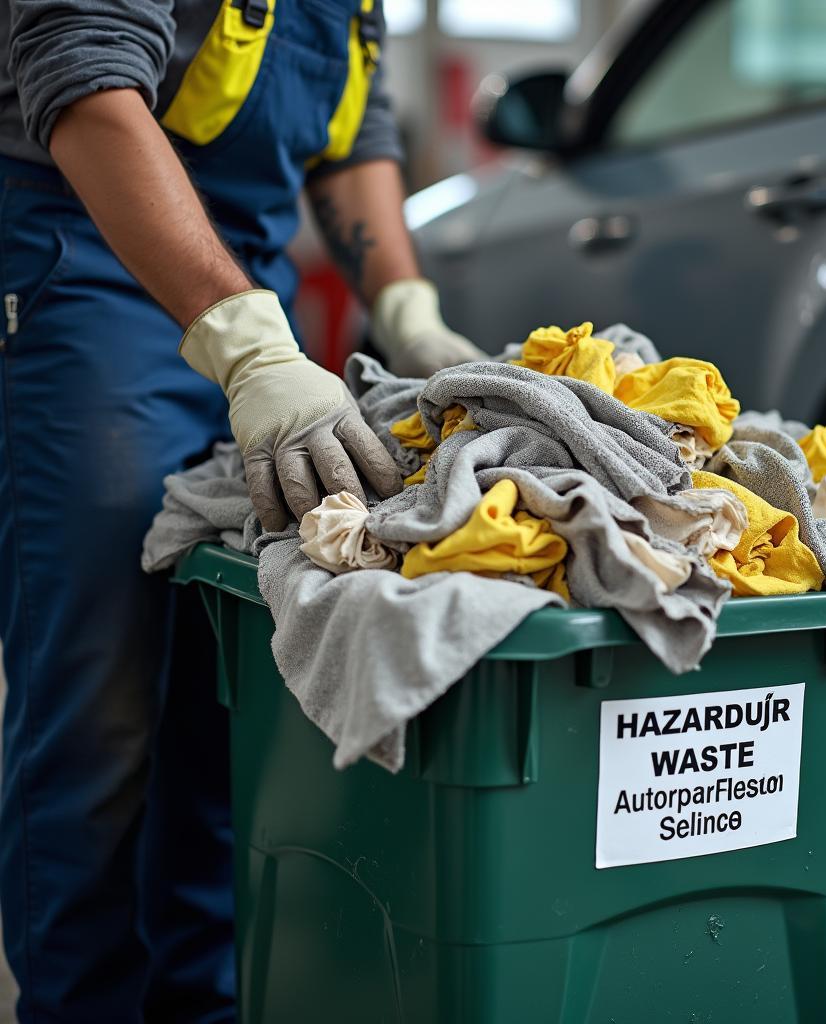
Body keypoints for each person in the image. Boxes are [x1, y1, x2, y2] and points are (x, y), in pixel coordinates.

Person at [0, 1, 482, 1020]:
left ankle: (204, 1002)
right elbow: (81, 71)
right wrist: (247, 345)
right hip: (87, 261)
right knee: (101, 703)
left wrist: (408, 308)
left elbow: (354, 130)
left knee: (225, 692)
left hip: (248, 290)